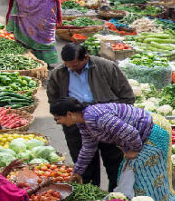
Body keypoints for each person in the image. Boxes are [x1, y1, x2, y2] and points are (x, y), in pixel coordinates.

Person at [50, 97, 175, 201]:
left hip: (152, 131)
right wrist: (78, 171)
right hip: (139, 135)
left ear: (69, 114)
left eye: (58, 118)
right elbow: (88, 147)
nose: (58, 122)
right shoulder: (83, 122)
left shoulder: (95, 116)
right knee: (133, 173)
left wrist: (135, 149)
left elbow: (130, 132)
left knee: (145, 174)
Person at [47, 44, 135, 190]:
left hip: (108, 124)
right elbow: (54, 100)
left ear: (85, 57)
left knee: (115, 163)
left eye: (75, 65)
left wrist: (109, 113)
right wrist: (66, 118)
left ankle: (116, 197)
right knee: (85, 165)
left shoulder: (106, 67)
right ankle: (91, 199)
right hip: (75, 123)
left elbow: (127, 96)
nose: (72, 69)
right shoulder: (59, 73)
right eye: (68, 66)